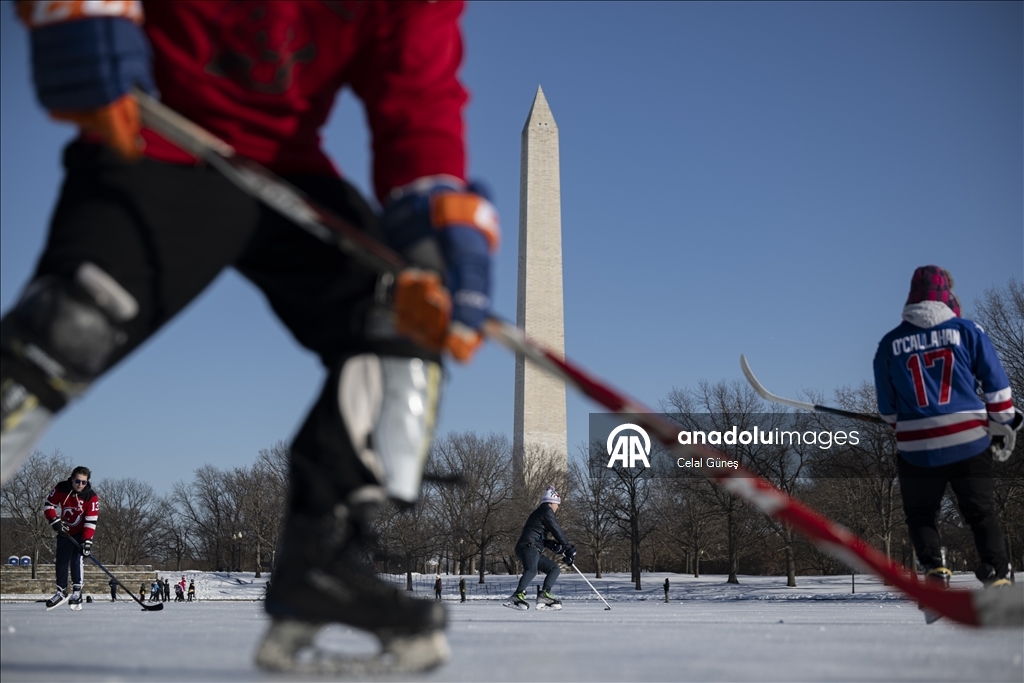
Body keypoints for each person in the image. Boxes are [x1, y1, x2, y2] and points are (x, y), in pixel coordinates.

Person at [2, 1, 496, 674]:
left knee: (402, 320)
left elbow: (416, 94)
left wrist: (434, 211)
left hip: (286, 165)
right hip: (156, 129)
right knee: (69, 325)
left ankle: (319, 566)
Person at [873, 266, 1020, 590]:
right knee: (981, 513)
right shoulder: (968, 330)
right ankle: (997, 574)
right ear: (947, 295)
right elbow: (998, 390)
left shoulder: (888, 344)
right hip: (969, 439)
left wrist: (906, 421)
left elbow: (888, 411)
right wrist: (1002, 422)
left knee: (922, 514)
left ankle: (935, 570)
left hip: (916, 448)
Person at [509, 486, 575, 610]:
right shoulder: (546, 511)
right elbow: (556, 530)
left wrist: (551, 544)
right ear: (550, 502)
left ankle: (544, 595)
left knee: (554, 568)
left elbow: (538, 534)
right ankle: (517, 595)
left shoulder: (542, 512)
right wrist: (567, 548)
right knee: (532, 570)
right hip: (528, 546)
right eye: (557, 504)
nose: (558, 507)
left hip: (532, 548)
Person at [42, 466, 98, 609]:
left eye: (83, 482)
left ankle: (77, 592)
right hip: (64, 530)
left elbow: (91, 521)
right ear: (72, 479)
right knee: (61, 561)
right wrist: (55, 522)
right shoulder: (61, 488)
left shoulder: (91, 497)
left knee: (76, 559)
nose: (80, 485)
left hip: (80, 532)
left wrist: (87, 541)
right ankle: (61, 591)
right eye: (77, 481)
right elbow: (49, 505)